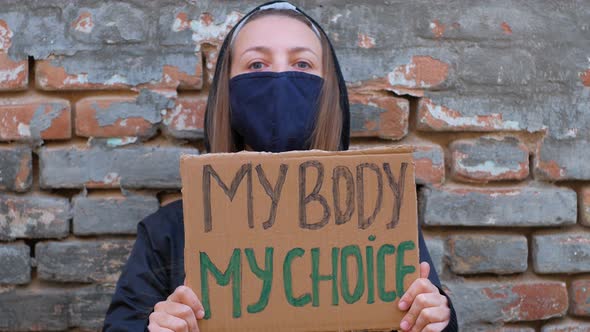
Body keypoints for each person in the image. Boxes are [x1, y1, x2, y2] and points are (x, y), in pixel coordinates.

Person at [102, 1, 458, 331]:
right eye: (257, 65)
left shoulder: (383, 222)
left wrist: (436, 317)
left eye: (302, 64)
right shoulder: (166, 232)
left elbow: (423, 312)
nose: (279, 79)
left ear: (328, 90)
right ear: (227, 91)